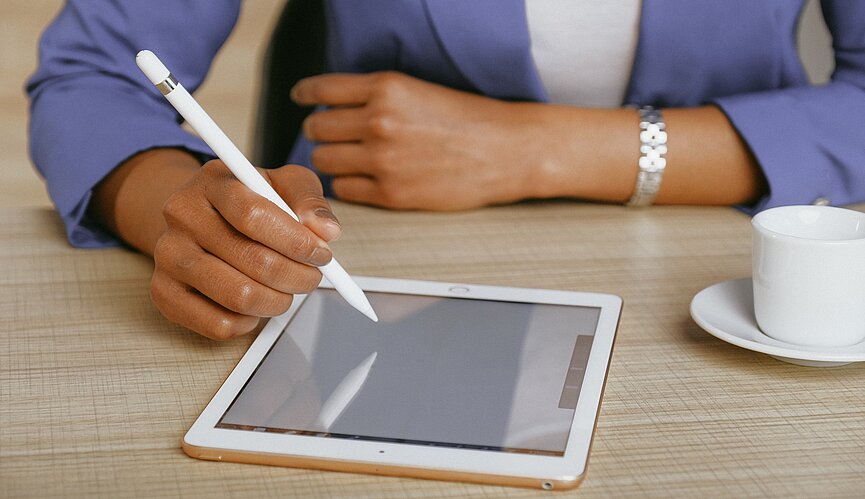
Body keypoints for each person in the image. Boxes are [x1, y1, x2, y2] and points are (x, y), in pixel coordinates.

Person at [27, 1, 865, 340]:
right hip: (367, 265)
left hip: (733, 273)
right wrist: (180, 211)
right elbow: (92, 74)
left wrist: (534, 148)